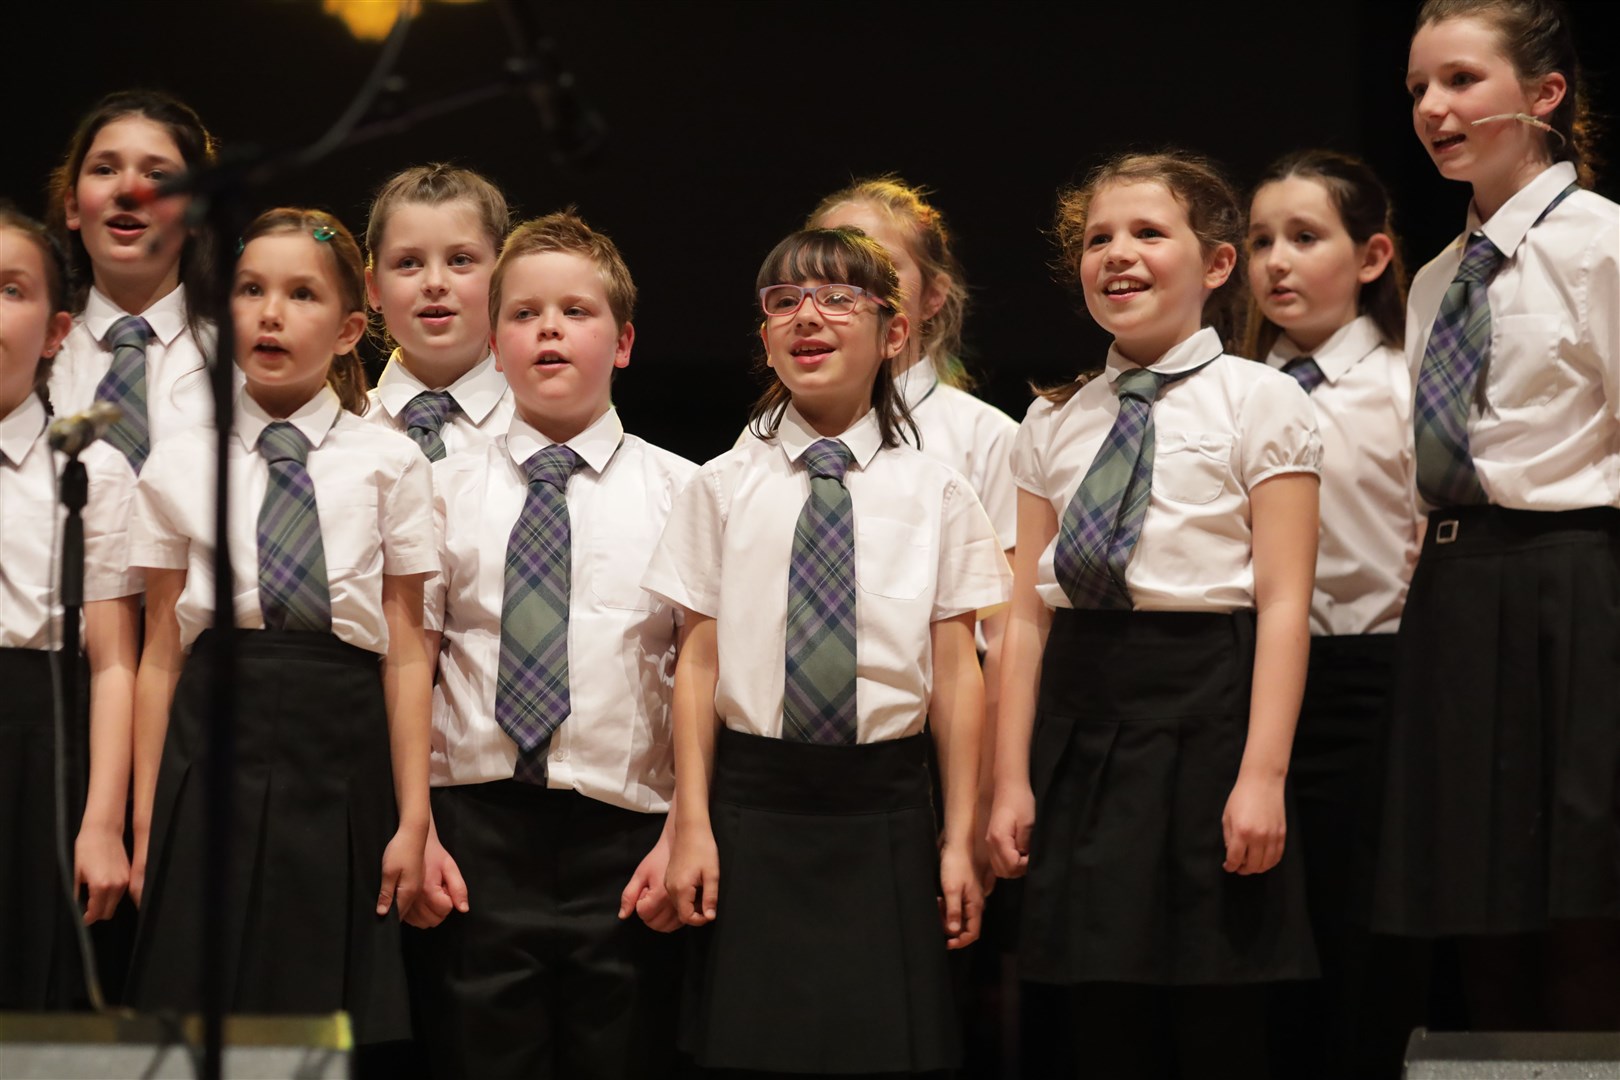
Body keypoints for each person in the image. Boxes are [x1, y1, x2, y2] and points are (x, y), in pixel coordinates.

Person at [987, 151, 1321, 1079]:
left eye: (1146, 233)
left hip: (1205, 714)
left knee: (1212, 1013)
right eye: (1098, 239)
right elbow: (1024, 616)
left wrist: (1262, 777)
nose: (1117, 255)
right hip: (1080, 721)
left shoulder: (1262, 400)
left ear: (1217, 266)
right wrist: (1008, 777)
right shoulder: (1053, 421)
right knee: (1096, 1015)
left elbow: (1287, 602)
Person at [649, 227, 1011, 1076]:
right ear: (765, 335)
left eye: (837, 298)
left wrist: (957, 839)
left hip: (883, 806)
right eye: (784, 303)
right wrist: (691, 824)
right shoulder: (721, 486)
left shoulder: (938, 491)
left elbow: (958, 675)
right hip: (751, 804)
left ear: (894, 333)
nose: (807, 316)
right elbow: (695, 664)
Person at [125, 209, 435, 1045]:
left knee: (318, 1014)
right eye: (252, 290)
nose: (270, 313)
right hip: (211, 736)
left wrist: (414, 818)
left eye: (302, 295)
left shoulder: (390, 460)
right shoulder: (182, 458)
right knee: (197, 1017)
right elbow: (159, 654)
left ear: (349, 331)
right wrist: (149, 817)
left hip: (339, 746)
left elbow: (407, 652)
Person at [1376, 0, 1620, 1031]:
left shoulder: (1604, 247)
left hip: (1576, 574)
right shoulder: (1439, 276)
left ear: (1545, 94)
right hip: (1458, 583)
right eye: (1419, 88)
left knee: (1582, 875)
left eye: (1462, 80)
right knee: (1468, 883)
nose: (1434, 107)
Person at [408, 211, 692, 1078]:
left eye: (577, 311)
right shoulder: (438, 490)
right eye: (527, 315)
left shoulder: (685, 490)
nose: (551, 330)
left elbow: (699, 674)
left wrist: (687, 826)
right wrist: (414, 822)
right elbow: (413, 661)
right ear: (495, 345)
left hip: (627, 838)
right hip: (472, 834)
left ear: (626, 341)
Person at [1244, 148, 1420, 1077]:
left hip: (1370, 682)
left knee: (1360, 928)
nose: (1277, 260)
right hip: (1244, 684)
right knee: (1260, 933)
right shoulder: (1231, 392)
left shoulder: (1403, 387)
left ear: (1372, 255)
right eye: (1262, 238)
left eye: (1305, 238)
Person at [0, 205, 140, 1008]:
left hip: (42, 745)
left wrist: (101, 822)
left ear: (56, 332)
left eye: (9, 289)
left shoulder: (90, 471)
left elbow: (114, 660)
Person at [46, 90, 220, 468]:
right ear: (73, 205)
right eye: (105, 169)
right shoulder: (30, 356)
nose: (127, 191)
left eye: (157, 175)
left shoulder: (240, 360)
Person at [363, 163, 515, 460]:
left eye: (460, 260)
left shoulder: (548, 432)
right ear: (374, 288)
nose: (434, 283)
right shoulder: (339, 437)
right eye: (408, 263)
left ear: (503, 278)